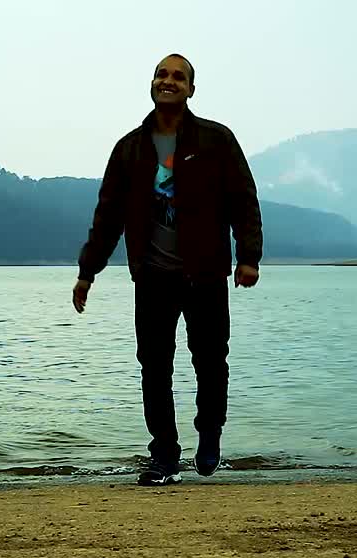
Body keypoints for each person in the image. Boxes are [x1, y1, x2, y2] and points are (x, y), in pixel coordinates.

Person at [72, 53, 263, 486]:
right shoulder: (130, 149)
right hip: (153, 277)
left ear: (191, 89)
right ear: (152, 83)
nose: (169, 80)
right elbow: (107, 217)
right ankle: (164, 456)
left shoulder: (216, 140)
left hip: (207, 274)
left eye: (179, 76)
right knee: (154, 368)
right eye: (162, 74)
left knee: (211, 362)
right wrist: (88, 271)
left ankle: (209, 434)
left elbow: (243, 201)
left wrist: (248, 256)